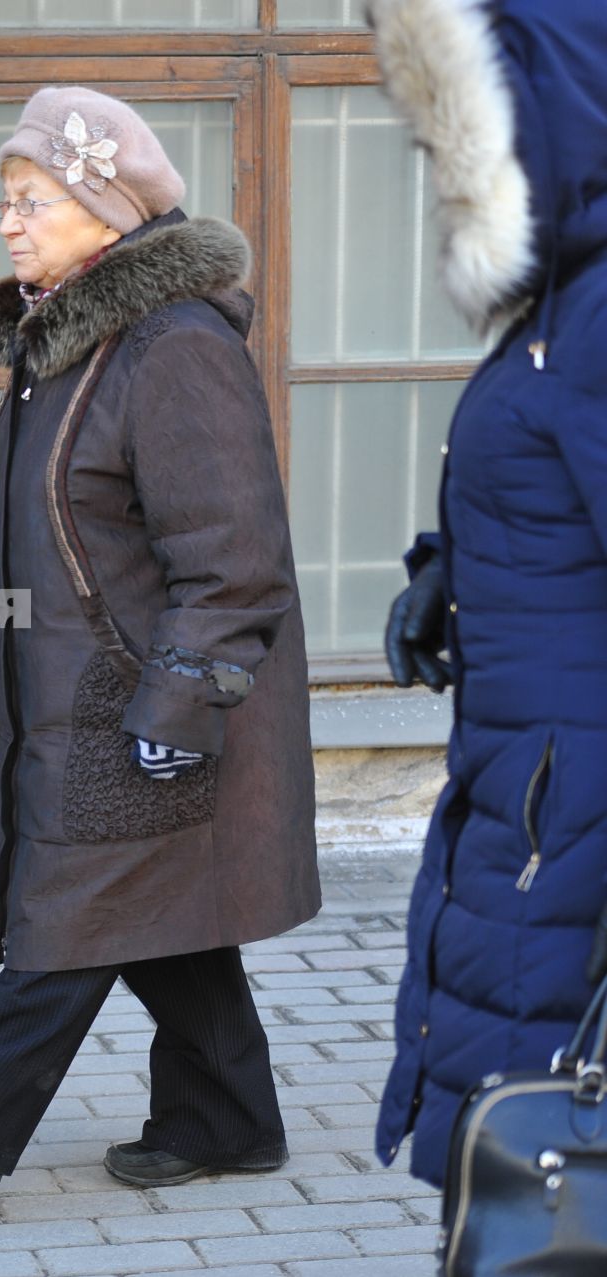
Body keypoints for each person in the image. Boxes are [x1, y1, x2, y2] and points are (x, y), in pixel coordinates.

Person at [0, 86, 320, 1213]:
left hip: (146, 703)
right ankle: (225, 1118)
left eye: (34, 197)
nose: (8, 220)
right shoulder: (75, 346)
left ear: (104, 209)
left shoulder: (176, 346)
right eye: (7, 199)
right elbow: (38, 497)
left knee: (78, 910)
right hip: (91, 691)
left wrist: (185, 701)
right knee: (156, 910)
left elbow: (234, 550)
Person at [368, 0, 607, 1188]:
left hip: (577, 838)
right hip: (532, 808)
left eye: (454, 135)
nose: (443, 169)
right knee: (524, 1182)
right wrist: (450, 573)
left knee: (548, 1183)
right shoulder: (562, 309)